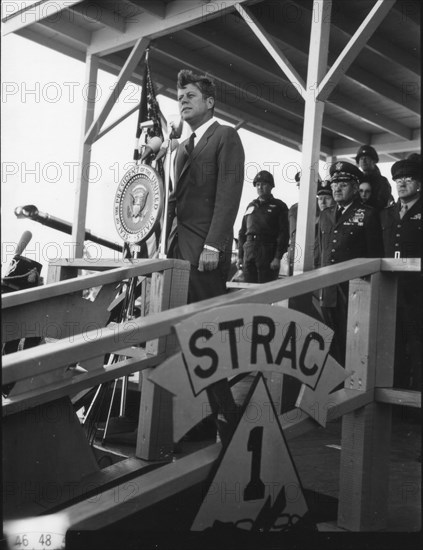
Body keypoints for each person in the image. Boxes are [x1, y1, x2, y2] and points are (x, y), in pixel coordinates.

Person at [167, 69, 245, 303]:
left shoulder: (225, 136)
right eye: (180, 98)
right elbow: (173, 198)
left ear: (209, 102)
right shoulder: (180, 149)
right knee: (172, 324)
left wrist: (212, 246)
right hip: (175, 250)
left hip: (204, 252)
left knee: (203, 326)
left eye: (190, 96)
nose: (183, 102)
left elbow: (228, 196)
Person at [317, 161, 383, 364]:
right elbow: (322, 251)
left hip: (354, 289)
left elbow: (375, 256)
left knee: (352, 342)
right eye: (335, 183)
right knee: (330, 339)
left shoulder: (368, 214)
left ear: (355, 188)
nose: (337, 188)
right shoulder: (326, 215)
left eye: (343, 184)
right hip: (328, 289)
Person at [380, 157, 421, 390]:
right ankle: (396, 399)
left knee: (417, 345)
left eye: (408, 179)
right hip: (391, 290)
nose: (401, 183)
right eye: (398, 179)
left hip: (417, 290)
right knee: (393, 344)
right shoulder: (386, 214)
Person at [237, 170, 289, 283]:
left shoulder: (279, 206)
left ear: (271, 186)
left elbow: (284, 233)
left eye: (264, 184)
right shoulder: (251, 206)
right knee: (248, 289)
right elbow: (242, 232)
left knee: (265, 289)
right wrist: (240, 256)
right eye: (258, 184)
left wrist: (277, 257)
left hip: (267, 250)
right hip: (249, 250)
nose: (260, 187)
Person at [355, 144, 394, 210]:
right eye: (361, 158)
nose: (364, 161)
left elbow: (381, 204)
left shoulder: (382, 181)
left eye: (366, 158)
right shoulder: (356, 179)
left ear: (374, 161)